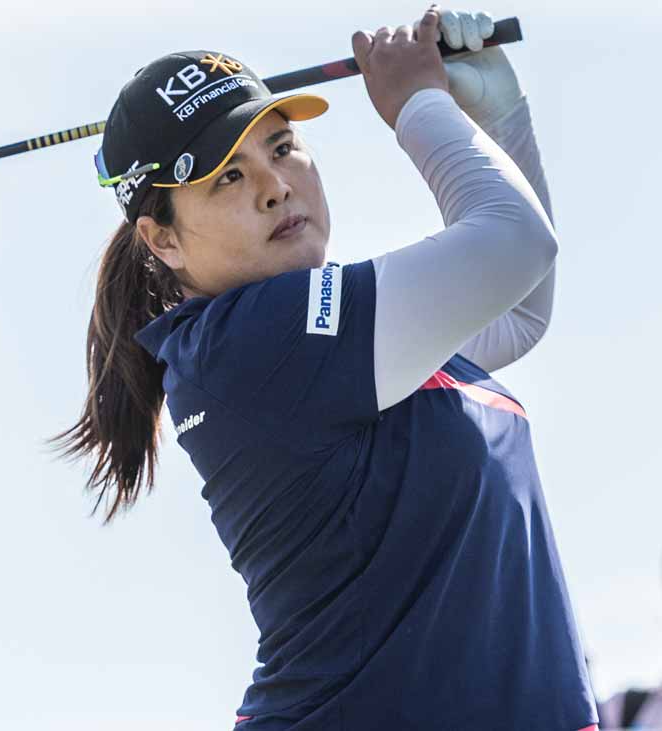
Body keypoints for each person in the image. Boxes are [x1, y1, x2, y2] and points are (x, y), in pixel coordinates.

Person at [48, 5, 598, 729]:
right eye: (226, 177)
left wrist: (496, 116)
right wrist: (418, 104)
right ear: (163, 240)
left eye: (281, 147)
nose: (273, 185)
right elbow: (514, 245)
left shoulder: (318, 336)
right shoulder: (259, 340)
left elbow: (516, 307)